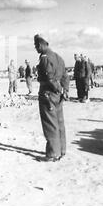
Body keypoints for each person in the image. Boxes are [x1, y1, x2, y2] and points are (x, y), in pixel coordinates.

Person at [34, 34, 69, 162]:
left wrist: (57, 88)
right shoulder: (58, 57)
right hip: (58, 95)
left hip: (48, 94)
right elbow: (65, 76)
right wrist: (65, 90)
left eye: (36, 45)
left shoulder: (45, 58)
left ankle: (52, 153)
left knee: (50, 124)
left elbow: (49, 78)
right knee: (59, 122)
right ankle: (62, 150)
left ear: (41, 44)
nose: (36, 48)